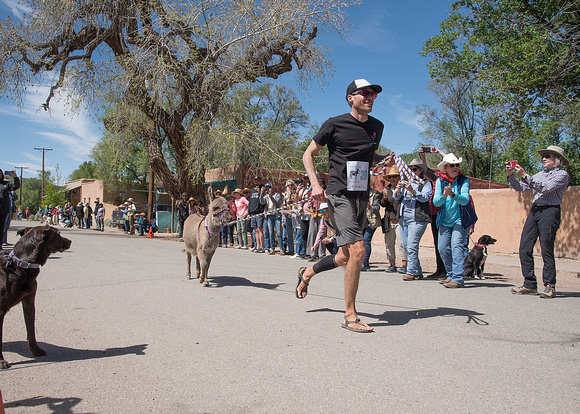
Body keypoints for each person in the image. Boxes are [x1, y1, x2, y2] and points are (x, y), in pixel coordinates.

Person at [299, 78, 389, 333]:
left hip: (362, 195)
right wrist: (316, 185)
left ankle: (308, 272)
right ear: (351, 97)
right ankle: (350, 315)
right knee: (359, 251)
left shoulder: (377, 127)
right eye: (365, 93)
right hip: (339, 194)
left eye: (373, 94)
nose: (370, 97)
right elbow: (308, 154)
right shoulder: (334, 124)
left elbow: (368, 156)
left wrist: (386, 159)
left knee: (343, 256)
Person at [507, 145, 570, 298]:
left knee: (546, 248)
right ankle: (529, 284)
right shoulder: (540, 174)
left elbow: (545, 187)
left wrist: (525, 175)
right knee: (524, 247)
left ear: (558, 160)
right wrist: (511, 175)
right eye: (543, 156)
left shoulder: (562, 175)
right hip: (535, 210)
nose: (544, 158)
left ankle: (549, 285)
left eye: (548, 156)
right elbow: (522, 187)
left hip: (550, 211)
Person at [433, 153, 471, 288]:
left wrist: (453, 194)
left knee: (457, 247)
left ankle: (458, 278)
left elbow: (465, 200)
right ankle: (450, 274)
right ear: (445, 167)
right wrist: (444, 196)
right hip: (445, 220)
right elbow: (436, 202)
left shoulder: (463, 180)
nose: (455, 167)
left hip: (461, 219)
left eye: (457, 165)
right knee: (443, 248)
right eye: (452, 165)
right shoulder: (440, 181)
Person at [394, 158, 433, 281]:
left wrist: (413, 191)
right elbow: (396, 196)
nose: (411, 171)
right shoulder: (405, 181)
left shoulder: (426, 183)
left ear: (421, 171)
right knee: (406, 246)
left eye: (414, 169)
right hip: (403, 218)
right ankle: (418, 271)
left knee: (412, 245)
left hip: (417, 219)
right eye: (409, 169)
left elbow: (426, 198)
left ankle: (411, 271)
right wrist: (399, 188)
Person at [380, 166, 407, 273]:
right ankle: (392, 264)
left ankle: (404, 264)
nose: (392, 179)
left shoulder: (403, 189)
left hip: (400, 220)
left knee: (402, 244)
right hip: (389, 219)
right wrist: (385, 198)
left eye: (394, 177)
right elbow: (383, 204)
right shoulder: (386, 189)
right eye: (390, 177)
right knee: (389, 243)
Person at [361, 176, 383, 271]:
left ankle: (365, 263)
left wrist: (370, 207)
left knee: (366, 240)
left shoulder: (375, 194)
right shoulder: (358, 194)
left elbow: (377, 207)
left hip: (371, 221)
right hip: (360, 221)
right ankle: (360, 262)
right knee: (360, 242)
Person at [0, 169, 20, 247]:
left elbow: (16, 186)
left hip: (3, 209)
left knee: (2, 228)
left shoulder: (6, 183)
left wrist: (15, 177)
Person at [263, 183, 283, 254]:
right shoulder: (265, 196)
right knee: (271, 233)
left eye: (269, 187)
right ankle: (272, 249)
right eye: (267, 188)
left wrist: (271, 196)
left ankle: (281, 249)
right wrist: (261, 193)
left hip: (276, 215)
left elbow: (275, 202)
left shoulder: (276, 195)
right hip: (269, 216)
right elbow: (261, 202)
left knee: (279, 232)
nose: (269, 189)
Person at [248, 176, 266, 253]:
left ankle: (262, 247)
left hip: (259, 212)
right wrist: (249, 213)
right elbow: (250, 202)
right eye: (255, 181)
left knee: (260, 229)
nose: (256, 182)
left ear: (260, 181)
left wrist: (260, 192)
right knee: (255, 230)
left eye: (257, 181)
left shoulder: (263, 189)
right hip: (253, 213)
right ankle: (257, 246)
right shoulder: (252, 191)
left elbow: (263, 201)